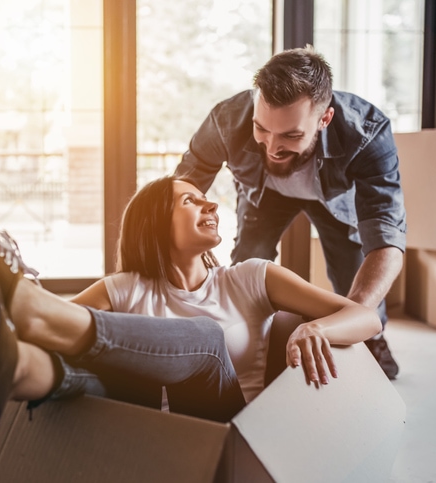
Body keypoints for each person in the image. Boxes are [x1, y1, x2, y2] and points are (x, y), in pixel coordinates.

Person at [0, 173, 380, 445]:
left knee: (206, 340)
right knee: (90, 369)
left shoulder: (252, 276)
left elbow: (364, 318)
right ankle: (15, 369)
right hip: (135, 437)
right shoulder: (123, 288)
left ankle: (27, 299)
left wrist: (317, 328)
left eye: (205, 197)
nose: (210, 203)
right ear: (156, 225)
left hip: (225, 438)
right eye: (189, 199)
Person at [174, 46, 406, 379]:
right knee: (248, 261)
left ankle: (375, 338)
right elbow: (180, 190)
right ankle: (246, 343)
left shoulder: (367, 131)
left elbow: (387, 237)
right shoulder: (226, 120)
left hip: (332, 200)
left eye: (291, 135)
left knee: (350, 274)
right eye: (261, 129)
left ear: (325, 118)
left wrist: (351, 321)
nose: (271, 146)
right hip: (264, 194)